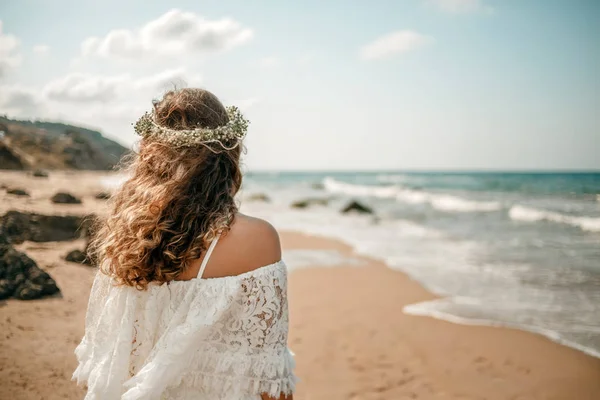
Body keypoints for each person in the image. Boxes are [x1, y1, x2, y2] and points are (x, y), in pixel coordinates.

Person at [72, 88, 296, 400]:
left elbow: (112, 356)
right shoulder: (256, 240)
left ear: (150, 157)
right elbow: (268, 378)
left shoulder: (124, 239)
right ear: (227, 153)